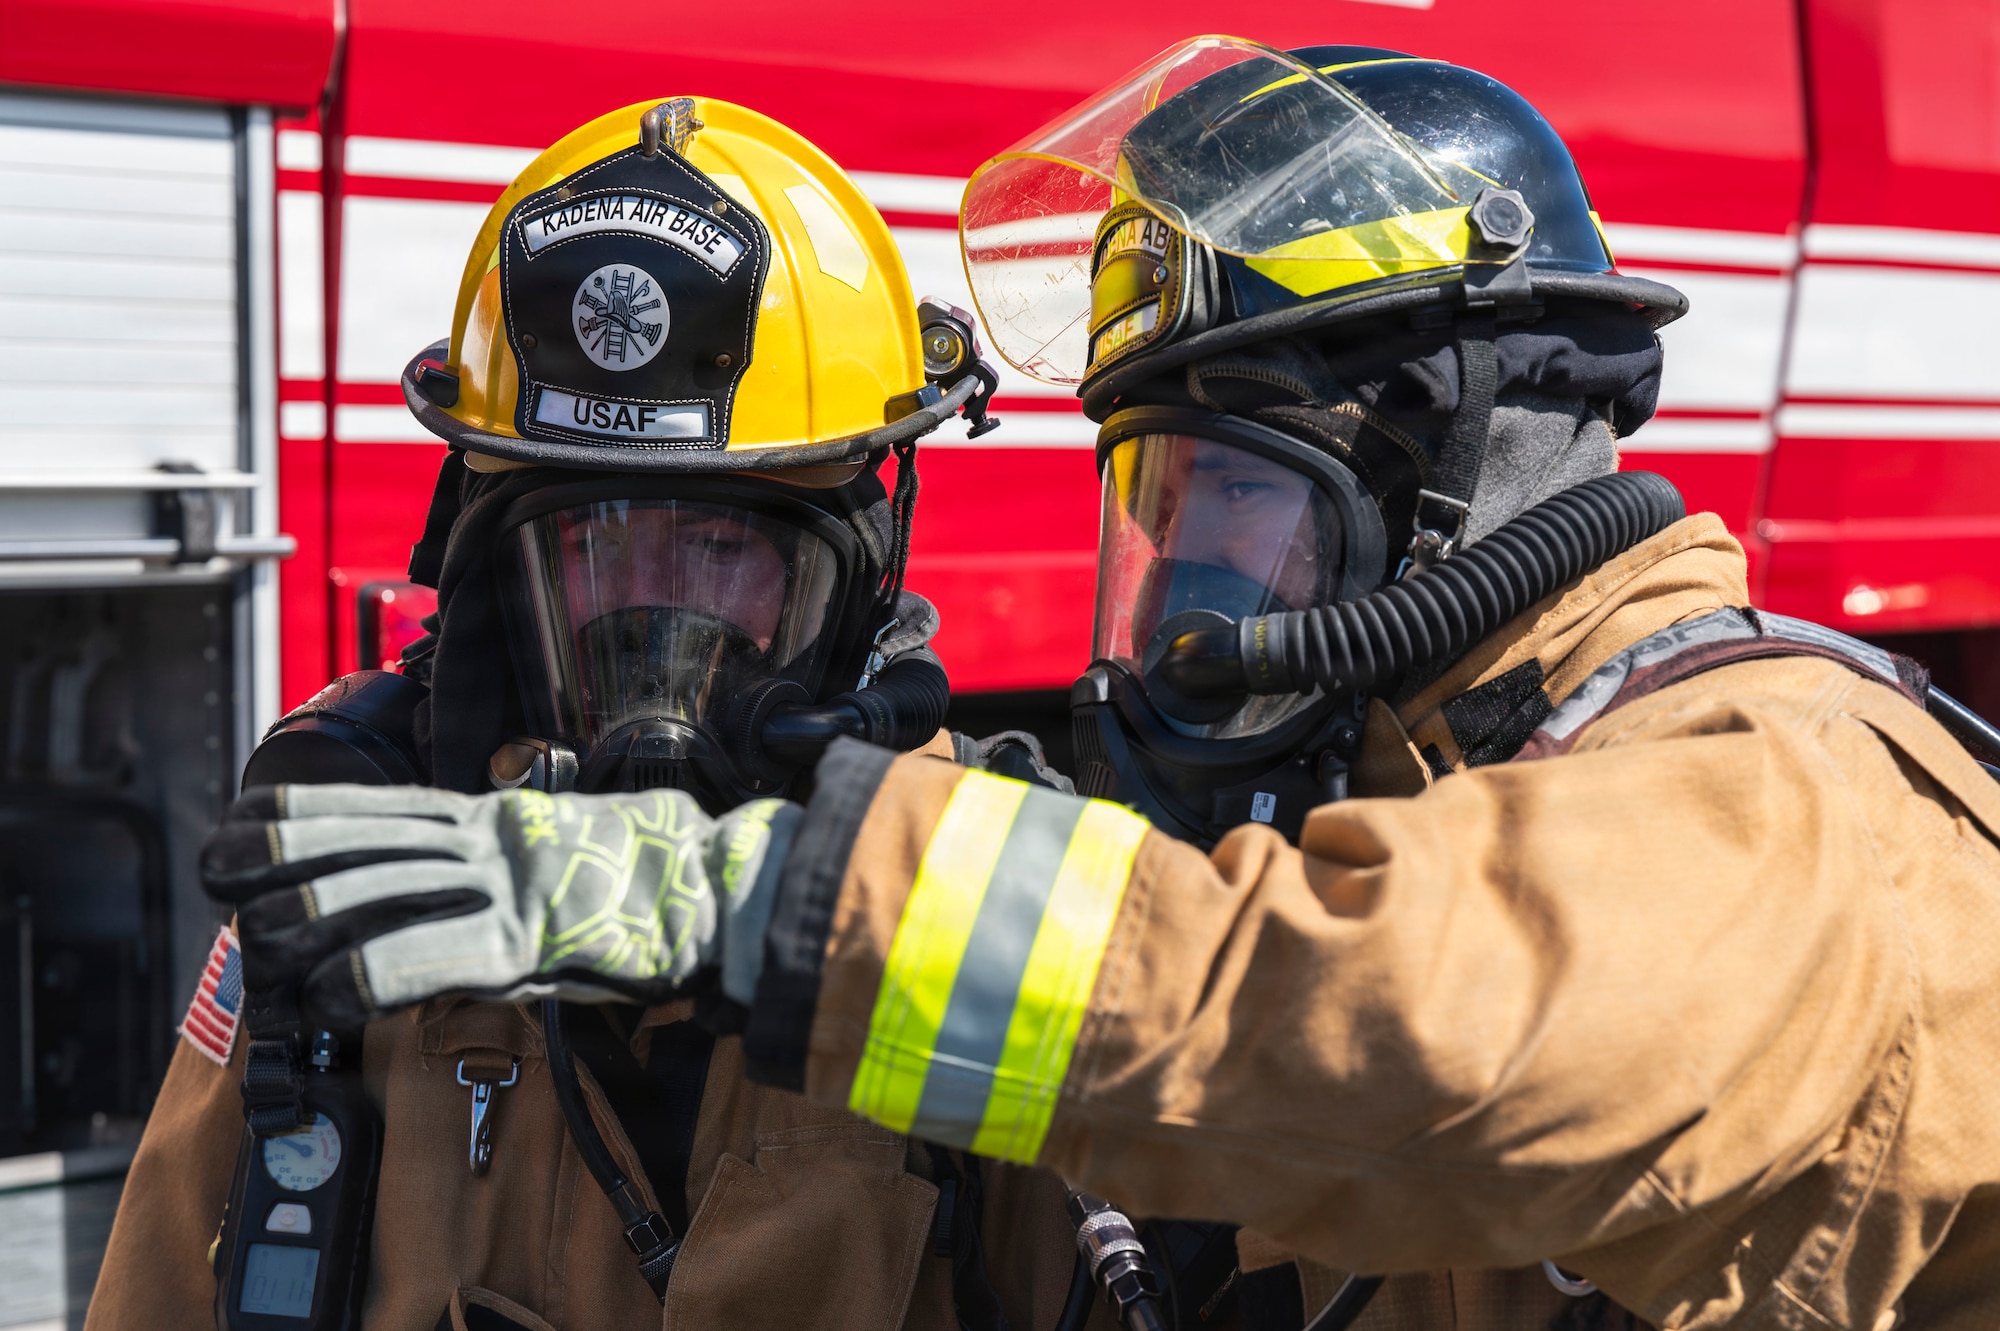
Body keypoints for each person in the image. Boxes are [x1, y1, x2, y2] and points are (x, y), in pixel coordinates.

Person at [188, 42, 2000, 1331]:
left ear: (1455, 459)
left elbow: (1399, 1033)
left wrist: (756, 902)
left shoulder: (1785, 788)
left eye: (1233, 500)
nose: (1190, 584)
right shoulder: (1424, 789)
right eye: (1157, 505)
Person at [87, 96, 1097, 1331]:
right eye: (594, 553)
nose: (660, 624)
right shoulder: (357, 885)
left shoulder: (973, 911)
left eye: (725, 549)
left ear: (855, 578)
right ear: (491, 572)